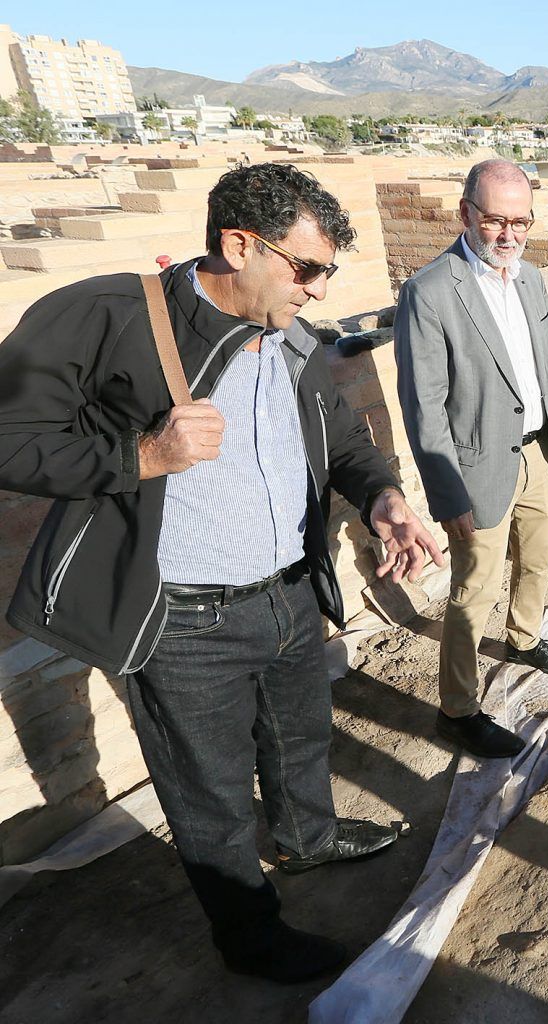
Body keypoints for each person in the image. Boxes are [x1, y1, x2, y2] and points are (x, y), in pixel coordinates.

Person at [0, 163, 445, 982]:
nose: (316, 290)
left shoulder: (291, 335)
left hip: (287, 592)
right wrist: (141, 454)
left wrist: (383, 498)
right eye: (306, 269)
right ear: (240, 245)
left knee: (301, 733)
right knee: (205, 792)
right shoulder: (110, 315)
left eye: (327, 274)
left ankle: (307, 839)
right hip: (182, 622)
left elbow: (341, 437)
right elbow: (10, 435)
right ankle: (249, 936)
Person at [395, 161, 548, 760]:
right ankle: (459, 708)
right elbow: (422, 405)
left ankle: (525, 640)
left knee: (540, 559)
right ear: (465, 214)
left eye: (520, 221)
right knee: (473, 589)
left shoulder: (527, 279)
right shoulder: (428, 291)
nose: (508, 234)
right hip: (478, 470)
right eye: (495, 220)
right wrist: (448, 495)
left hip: (541, 453)